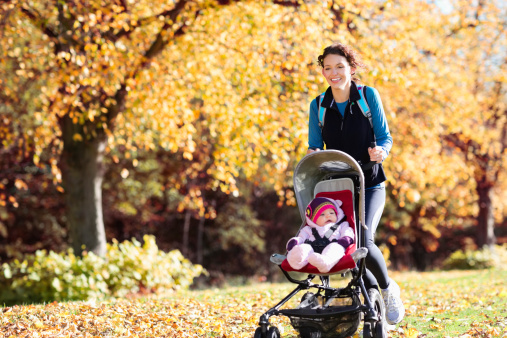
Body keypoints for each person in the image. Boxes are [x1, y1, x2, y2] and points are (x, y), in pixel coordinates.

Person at [306, 42, 404, 325]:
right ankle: (371, 292)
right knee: (344, 244)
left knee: (363, 238)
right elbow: (315, 145)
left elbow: (385, 137)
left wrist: (381, 151)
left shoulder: (367, 96)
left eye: (339, 66)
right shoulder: (318, 106)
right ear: (322, 70)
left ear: (350, 67)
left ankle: (387, 289)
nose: (333, 73)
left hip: (371, 183)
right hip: (337, 188)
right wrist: (313, 155)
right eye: (327, 68)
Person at [286, 197, 354, 273]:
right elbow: (301, 238)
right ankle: (296, 260)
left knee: (336, 248)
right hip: (312, 252)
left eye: (332, 213)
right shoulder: (308, 229)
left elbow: (348, 231)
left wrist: (346, 238)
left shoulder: (341, 225)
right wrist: (295, 242)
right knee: (304, 248)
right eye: (322, 214)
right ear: (314, 220)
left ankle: (325, 262)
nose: (328, 216)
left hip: (333, 247)